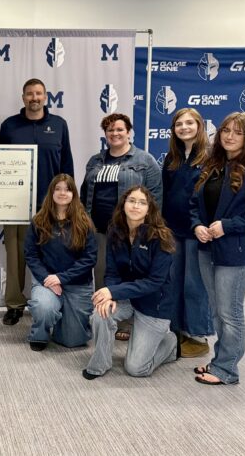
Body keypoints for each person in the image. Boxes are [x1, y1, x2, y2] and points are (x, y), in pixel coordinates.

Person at [190, 112, 245, 385]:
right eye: (226, 130)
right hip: (207, 250)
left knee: (230, 313)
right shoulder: (212, 166)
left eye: (238, 132)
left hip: (235, 255)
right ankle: (220, 361)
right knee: (217, 312)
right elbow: (194, 205)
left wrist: (227, 226)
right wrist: (197, 226)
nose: (229, 136)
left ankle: (227, 370)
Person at [80, 113, 161, 341]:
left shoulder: (145, 161)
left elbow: (155, 198)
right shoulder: (95, 161)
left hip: (130, 232)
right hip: (98, 230)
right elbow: (85, 194)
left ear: (128, 132)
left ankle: (125, 322)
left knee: (127, 276)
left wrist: (146, 231)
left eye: (119, 129)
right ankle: (104, 317)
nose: (114, 133)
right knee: (102, 274)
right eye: (110, 130)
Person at [0, 78, 74, 326]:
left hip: (51, 204)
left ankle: (53, 301)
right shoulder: (9, 126)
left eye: (39, 93)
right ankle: (14, 304)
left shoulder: (59, 125)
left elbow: (66, 165)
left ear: (46, 97)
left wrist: (68, 202)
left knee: (53, 254)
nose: (34, 98)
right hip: (15, 203)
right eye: (30, 94)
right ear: (23, 97)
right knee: (15, 256)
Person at [83, 186, 177, 380]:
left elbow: (154, 282)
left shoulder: (161, 236)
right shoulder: (115, 230)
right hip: (126, 298)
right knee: (100, 313)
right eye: (132, 201)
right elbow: (112, 272)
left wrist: (113, 292)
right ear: (123, 204)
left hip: (154, 305)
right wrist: (111, 296)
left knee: (136, 369)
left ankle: (170, 342)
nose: (136, 206)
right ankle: (99, 364)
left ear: (149, 209)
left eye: (142, 203)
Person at [162, 108, 213, 358]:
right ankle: (178, 330)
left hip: (197, 230)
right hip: (172, 229)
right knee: (174, 283)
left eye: (189, 123)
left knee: (194, 285)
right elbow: (164, 192)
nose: (184, 127)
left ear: (199, 126)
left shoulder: (211, 156)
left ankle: (198, 336)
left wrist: (203, 224)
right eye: (179, 124)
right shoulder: (172, 157)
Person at [24, 174, 96, 351]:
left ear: (74, 194)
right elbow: (31, 255)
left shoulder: (85, 222)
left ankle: (62, 322)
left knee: (73, 341)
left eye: (67, 189)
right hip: (47, 280)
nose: (63, 193)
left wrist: (61, 278)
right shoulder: (39, 221)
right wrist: (48, 279)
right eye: (58, 189)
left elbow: (89, 258)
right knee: (44, 307)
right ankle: (39, 334)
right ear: (51, 192)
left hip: (77, 283)